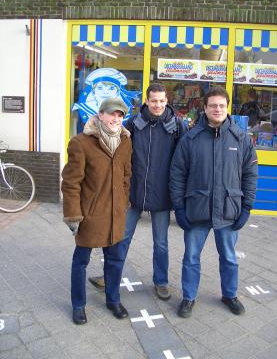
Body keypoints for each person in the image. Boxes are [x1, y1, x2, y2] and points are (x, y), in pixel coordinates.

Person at [89, 83, 188, 300]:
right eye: (154, 100)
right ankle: (110, 277)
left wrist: (179, 194)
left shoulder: (178, 126)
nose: (158, 105)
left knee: (161, 242)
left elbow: (183, 162)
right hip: (134, 193)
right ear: (146, 101)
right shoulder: (133, 124)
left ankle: (161, 281)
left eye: (162, 101)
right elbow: (118, 154)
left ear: (166, 101)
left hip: (163, 194)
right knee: (121, 237)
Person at [169, 86, 258, 318]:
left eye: (221, 105)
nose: (217, 109)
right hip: (196, 209)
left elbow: (250, 174)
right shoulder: (191, 138)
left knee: (229, 257)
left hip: (228, 210)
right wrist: (178, 206)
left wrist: (246, 206)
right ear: (205, 108)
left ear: (227, 107)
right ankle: (188, 297)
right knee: (190, 257)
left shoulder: (241, 139)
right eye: (213, 105)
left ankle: (230, 294)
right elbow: (177, 173)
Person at [61, 97, 132, 324]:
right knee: (80, 261)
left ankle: (113, 300)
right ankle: (78, 305)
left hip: (116, 214)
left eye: (120, 115)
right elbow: (71, 182)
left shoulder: (125, 141)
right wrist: (73, 215)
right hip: (90, 214)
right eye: (112, 114)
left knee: (115, 260)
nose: (116, 119)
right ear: (100, 115)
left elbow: (126, 175)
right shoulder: (81, 143)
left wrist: (123, 201)